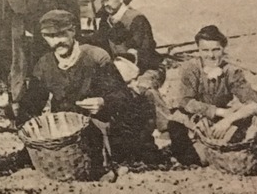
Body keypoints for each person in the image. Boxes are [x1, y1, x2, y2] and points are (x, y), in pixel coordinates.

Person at [17, 9, 155, 164]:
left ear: (73, 31)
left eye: (61, 34)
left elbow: (122, 96)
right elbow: (31, 105)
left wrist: (103, 102)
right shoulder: (44, 65)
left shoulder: (95, 57)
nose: (56, 42)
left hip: (97, 122)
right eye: (49, 36)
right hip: (65, 130)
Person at [165, 24, 257, 166]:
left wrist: (228, 120)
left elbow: (255, 105)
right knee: (192, 158)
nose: (210, 55)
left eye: (216, 50)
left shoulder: (231, 72)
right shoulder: (191, 68)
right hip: (191, 121)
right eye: (205, 50)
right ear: (198, 50)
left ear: (223, 49)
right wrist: (219, 112)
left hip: (218, 122)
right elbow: (185, 101)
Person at [95, 0, 160, 78]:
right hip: (120, 69)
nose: (105, 4)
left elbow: (145, 52)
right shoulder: (105, 21)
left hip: (145, 69)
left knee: (141, 88)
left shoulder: (136, 19)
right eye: (102, 0)